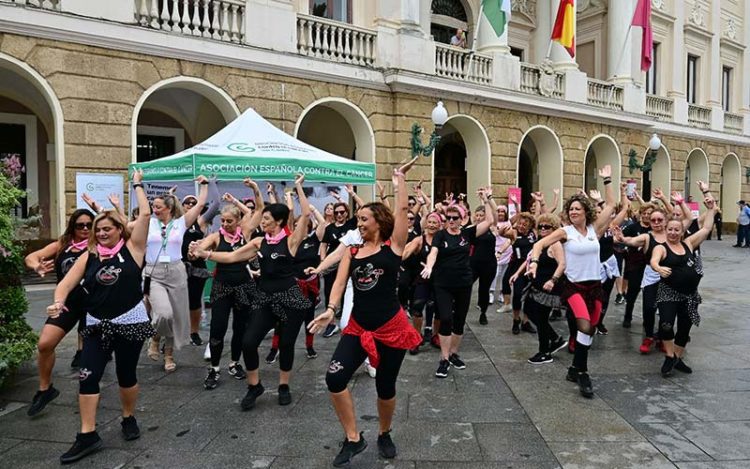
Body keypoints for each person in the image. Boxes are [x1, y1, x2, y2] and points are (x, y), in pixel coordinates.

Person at [308, 159, 422, 467]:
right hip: (358, 328)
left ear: (379, 222)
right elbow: (340, 282)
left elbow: (400, 212)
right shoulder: (353, 251)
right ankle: (353, 438)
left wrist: (400, 181)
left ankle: (384, 432)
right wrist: (331, 310)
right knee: (335, 379)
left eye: (364, 218)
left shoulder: (394, 247)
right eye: (357, 219)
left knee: (385, 387)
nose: (359, 223)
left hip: (391, 329)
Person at [49, 170, 152, 463]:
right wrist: (58, 302)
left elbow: (144, 216)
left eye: (108, 229)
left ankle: (128, 416)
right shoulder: (90, 255)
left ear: (120, 230)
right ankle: (87, 435)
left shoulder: (134, 249)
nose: (103, 233)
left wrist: (138, 184)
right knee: (87, 376)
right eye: (98, 230)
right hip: (96, 326)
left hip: (129, 323)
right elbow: (66, 284)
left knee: (126, 375)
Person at [190, 174, 312, 410]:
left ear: (278, 221)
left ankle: (284, 385)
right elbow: (233, 256)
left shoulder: (291, 241)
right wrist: (207, 254)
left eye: (266, 218)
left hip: (289, 298)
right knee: (248, 341)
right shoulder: (258, 243)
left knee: (286, 344)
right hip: (264, 298)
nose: (261, 221)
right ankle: (254, 386)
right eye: (262, 218)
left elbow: (305, 215)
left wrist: (298, 186)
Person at [528, 165, 615, 398]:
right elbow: (539, 244)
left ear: (586, 210)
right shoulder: (565, 232)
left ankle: (576, 368)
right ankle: (583, 372)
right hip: (574, 287)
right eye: (571, 209)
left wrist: (607, 180)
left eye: (577, 208)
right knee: (584, 326)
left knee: (590, 329)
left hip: (595, 287)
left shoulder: (594, 228)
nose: (574, 211)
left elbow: (613, 206)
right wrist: (535, 262)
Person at [25, 209, 95, 416]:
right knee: (45, 344)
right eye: (79, 225)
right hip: (67, 303)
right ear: (72, 226)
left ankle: (91, 398)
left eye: (89, 225)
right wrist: (37, 266)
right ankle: (45, 389)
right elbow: (31, 257)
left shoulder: (99, 245)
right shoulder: (62, 244)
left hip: (95, 305)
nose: (84, 229)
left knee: (92, 357)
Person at [421, 189, 497, 378]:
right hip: (443, 283)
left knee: (460, 320)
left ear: (463, 219)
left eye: (455, 217)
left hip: (463, 282)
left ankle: (453, 354)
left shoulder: (468, 233)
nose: (451, 220)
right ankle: (444, 358)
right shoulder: (440, 235)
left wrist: (487, 200)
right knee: (446, 318)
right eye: (448, 217)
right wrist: (429, 267)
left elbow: (489, 221)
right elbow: (433, 253)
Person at [192, 188, 262, 390]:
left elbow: (258, 209)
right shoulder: (215, 237)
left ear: (238, 221)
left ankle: (234, 363)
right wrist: (194, 251)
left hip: (243, 287)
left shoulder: (246, 233)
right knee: (218, 328)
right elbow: (200, 250)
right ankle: (214, 368)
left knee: (240, 328)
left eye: (229, 221)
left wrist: (255, 189)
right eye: (222, 221)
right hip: (222, 287)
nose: (224, 224)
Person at [651, 182, 716, 376]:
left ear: (681, 231)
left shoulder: (689, 243)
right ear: (666, 229)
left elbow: (706, 229)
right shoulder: (661, 247)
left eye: (676, 230)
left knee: (685, 328)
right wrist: (658, 267)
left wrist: (711, 209)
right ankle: (670, 356)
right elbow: (654, 260)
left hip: (689, 295)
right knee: (666, 324)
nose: (672, 233)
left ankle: (677, 358)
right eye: (669, 229)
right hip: (668, 293)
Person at [145, 176, 209, 372]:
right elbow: (122, 225)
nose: (154, 210)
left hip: (176, 271)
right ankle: (155, 337)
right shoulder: (147, 223)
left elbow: (200, 205)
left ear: (169, 209)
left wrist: (205, 185)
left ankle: (169, 354)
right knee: (163, 313)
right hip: (154, 272)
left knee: (174, 315)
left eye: (157, 207)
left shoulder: (181, 223)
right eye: (153, 206)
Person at [265, 195, 328, 362]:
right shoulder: (290, 240)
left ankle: (309, 346)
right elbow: (288, 215)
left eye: (304, 225)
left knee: (309, 316)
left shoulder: (314, 239)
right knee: (281, 317)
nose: (301, 227)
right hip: (291, 285)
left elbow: (323, 224)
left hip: (310, 285)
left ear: (308, 226)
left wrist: (313, 210)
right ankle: (274, 348)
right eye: (296, 224)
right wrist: (286, 200)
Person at [508, 213, 566, 364]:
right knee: (529, 311)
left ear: (554, 228)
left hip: (548, 288)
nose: (543, 229)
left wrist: (553, 280)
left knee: (540, 318)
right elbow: (529, 259)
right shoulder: (540, 242)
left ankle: (544, 351)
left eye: (547, 227)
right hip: (536, 285)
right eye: (540, 226)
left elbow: (562, 264)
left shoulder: (555, 244)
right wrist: (517, 273)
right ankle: (555, 339)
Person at [180, 179, 221, 347]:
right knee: (176, 302)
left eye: (193, 202)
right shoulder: (175, 222)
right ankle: (174, 334)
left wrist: (209, 183)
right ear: (182, 206)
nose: (190, 204)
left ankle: (194, 332)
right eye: (187, 202)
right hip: (177, 266)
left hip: (196, 267)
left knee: (194, 301)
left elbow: (217, 203)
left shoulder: (201, 222)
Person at [320, 188, 363, 337]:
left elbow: (363, 208)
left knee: (346, 293)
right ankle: (331, 323)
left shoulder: (352, 225)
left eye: (342, 212)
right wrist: (322, 261)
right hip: (332, 264)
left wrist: (351, 194)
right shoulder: (330, 228)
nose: (339, 215)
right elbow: (324, 245)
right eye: (336, 212)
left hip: (349, 266)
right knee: (329, 291)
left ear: (347, 213)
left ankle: (348, 319)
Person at [402, 211, 443, 353]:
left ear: (439, 225)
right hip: (422, 280)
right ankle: (416, 336)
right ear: (426, 223)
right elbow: (405, 252)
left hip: (439, 281)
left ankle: (435, 335)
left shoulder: (443, 240)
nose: (431, 225)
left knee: (438, 309)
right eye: (430, 222)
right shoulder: (419, 240)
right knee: (417, 308)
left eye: (435, 222)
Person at [498, 212, 538, 334]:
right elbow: (503, 234)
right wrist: (501, 231)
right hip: (517, 266)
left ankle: (525, 321)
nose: (521, 226)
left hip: (531, 265)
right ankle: (516, 319)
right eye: (520, 224)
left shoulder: (534, 233)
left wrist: (539, 201)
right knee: (518, 294)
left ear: (530, 225)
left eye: (524, 225)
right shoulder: (515, 233)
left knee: (531, 295)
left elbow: (538, 215)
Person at [470, 206, 499, 325]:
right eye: (477, 215)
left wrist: (487, 200)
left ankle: (483, 312)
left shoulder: (491, 228)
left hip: (489, 264)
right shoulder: (472, 229)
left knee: (484, 288)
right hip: (473, 263)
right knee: (466, 285)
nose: (478, 217)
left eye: (481, 215)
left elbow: (495, 213)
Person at [492, 205, 513, 314]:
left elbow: (510, 239)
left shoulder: (508, 223)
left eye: (502, 211)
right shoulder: (494, 223)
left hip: (507, 251)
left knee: (505, 275)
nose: (500, 213)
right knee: (495, 274)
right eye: (498, 211)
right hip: (496, 251)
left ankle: (501, 293)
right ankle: (491, 293)